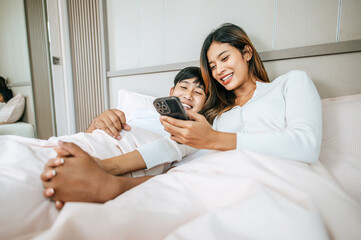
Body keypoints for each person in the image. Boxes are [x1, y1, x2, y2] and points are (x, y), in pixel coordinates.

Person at [42, 23, 322, 206]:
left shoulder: (291, 83)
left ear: (246, 52)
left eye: (225, 58)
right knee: (181, 163)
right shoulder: (219, 114)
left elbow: (306, 145)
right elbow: (177, 146)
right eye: (212, 65)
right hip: (213, 177)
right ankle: (111, 181)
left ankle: (113, 187)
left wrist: (214, 140)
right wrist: (106, 164)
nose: (219, 69)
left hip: (272, 179)